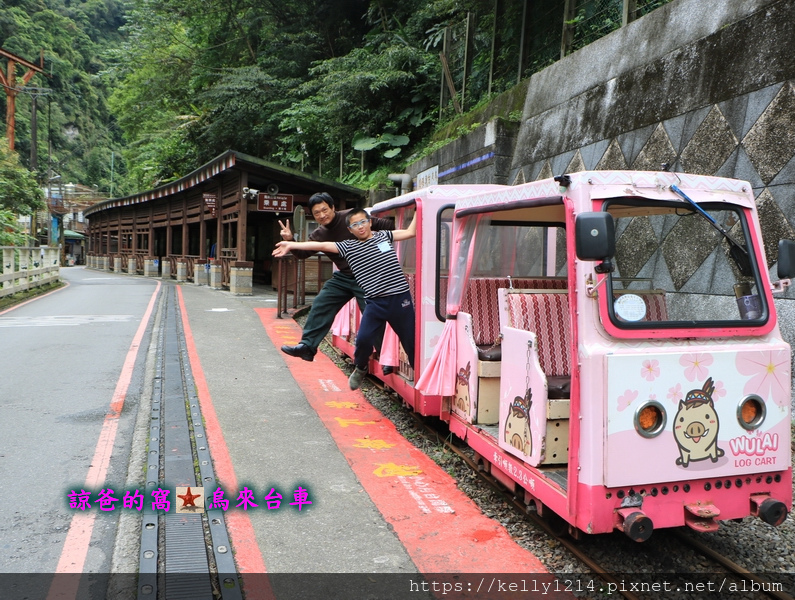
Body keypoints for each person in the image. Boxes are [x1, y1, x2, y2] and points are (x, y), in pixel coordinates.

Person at [273, 208, 416, 390]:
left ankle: (418, 377)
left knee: (410, 341)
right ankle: (361, 367)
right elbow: (321, 246)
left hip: (399, 299)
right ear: (350, 230)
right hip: (375, 302)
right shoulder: (348, 247)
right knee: (363, 339)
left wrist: (419, 207)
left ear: (370, 222)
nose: (360, 227)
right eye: (355, 225)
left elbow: (411, 232)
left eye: (363, 222)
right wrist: (291, 244)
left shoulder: (385, 236)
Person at [277, 192, 394, 363]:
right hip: (344, 277)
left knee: (372, 314)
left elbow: (388, 225)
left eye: (325, 210)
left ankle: (386, 357)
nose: (322, 215)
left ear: (333, 208)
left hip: (368, 276)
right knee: (321, 302)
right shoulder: (320, 234)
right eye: (317, 213)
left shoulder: (351, 217)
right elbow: (302, 253)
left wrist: (380, 246)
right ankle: (307, 347)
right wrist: (291, 239)